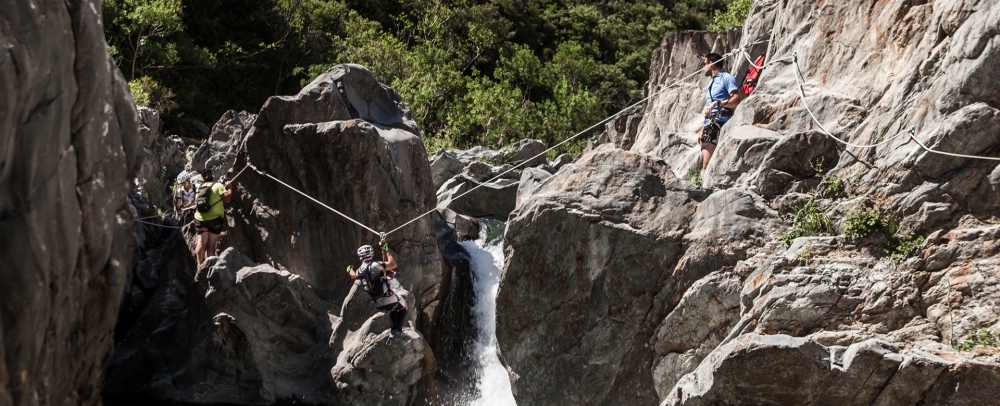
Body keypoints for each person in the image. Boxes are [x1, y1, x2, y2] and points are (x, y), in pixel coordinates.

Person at [347, 241, 408, 338]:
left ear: (360, 257)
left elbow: (353, 275)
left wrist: (350, 269)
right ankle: (397, 331)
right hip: (387, 297)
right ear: (371, 255)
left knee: (394, 309)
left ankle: (393, 332)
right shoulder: (375, 265)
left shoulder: (360, 270)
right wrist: (386, 250)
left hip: (377, 302)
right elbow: (393, 264)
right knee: (404, 306)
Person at [697, 52, 743, 170]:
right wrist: (702, 129)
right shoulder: (711, 84)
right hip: (710, 124)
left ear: (711, 64)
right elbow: (709, 108)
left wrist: (717, 103)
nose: (703, 67)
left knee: (712, 164)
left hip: (723, 122)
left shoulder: (726, 78)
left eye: (705, 64)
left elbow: (737, 99)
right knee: (706, 164)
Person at [193, 168, 233, 266]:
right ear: (213, 176)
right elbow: (227, 199)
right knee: (211, 244)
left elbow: (196, 203)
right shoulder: (218, 186)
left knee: (201, 242)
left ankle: (199, 266)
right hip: (215, 220)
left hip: (200, 219)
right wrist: (229, 187)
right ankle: (209, 266)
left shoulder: (199, 189)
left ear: (203, 178)